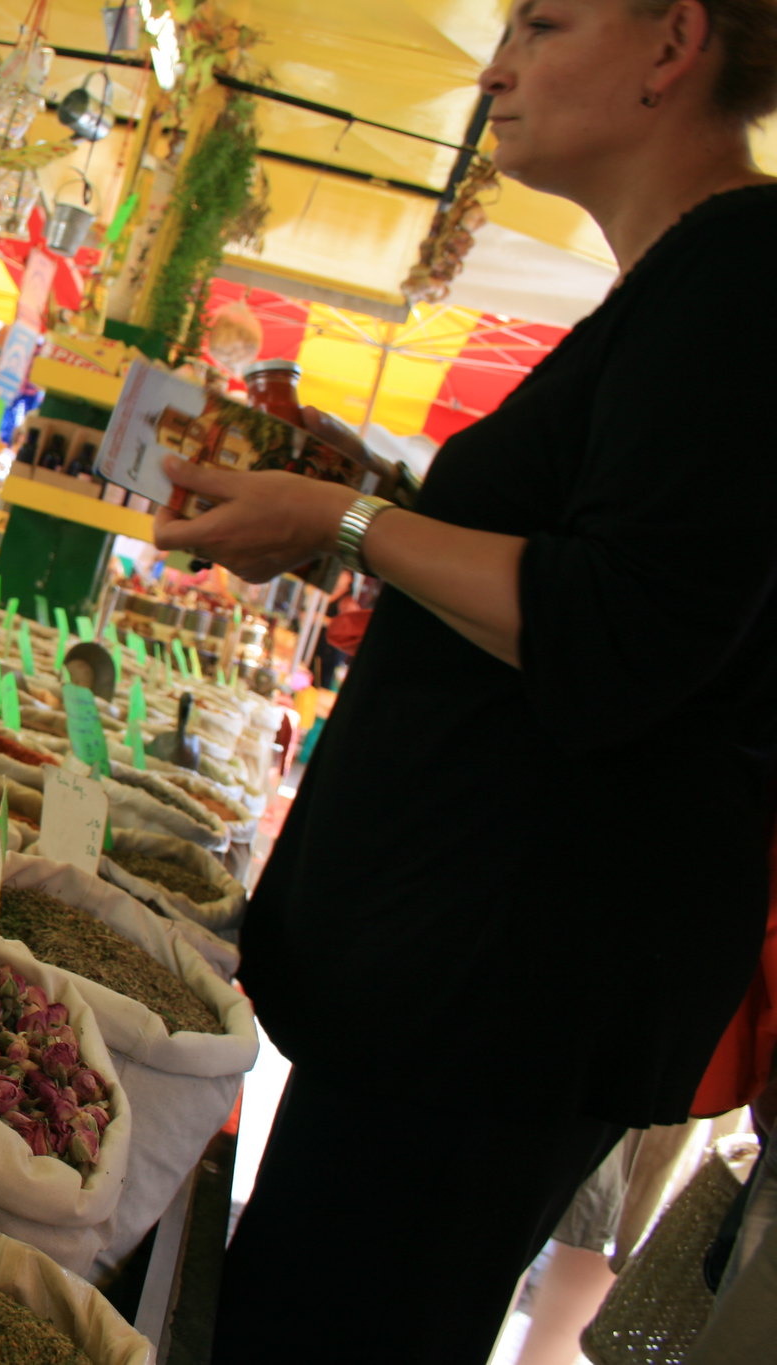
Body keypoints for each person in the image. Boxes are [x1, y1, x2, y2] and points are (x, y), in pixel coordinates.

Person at [149, 4, 777, 1361]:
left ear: (676, 44)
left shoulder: (745, 280)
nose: (495, 68)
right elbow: (582, 561)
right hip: (465, 992)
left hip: (508, 995)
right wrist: (335, 499)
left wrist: (345, 524)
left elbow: (621, 628)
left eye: (542, 22)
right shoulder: (683, 288)